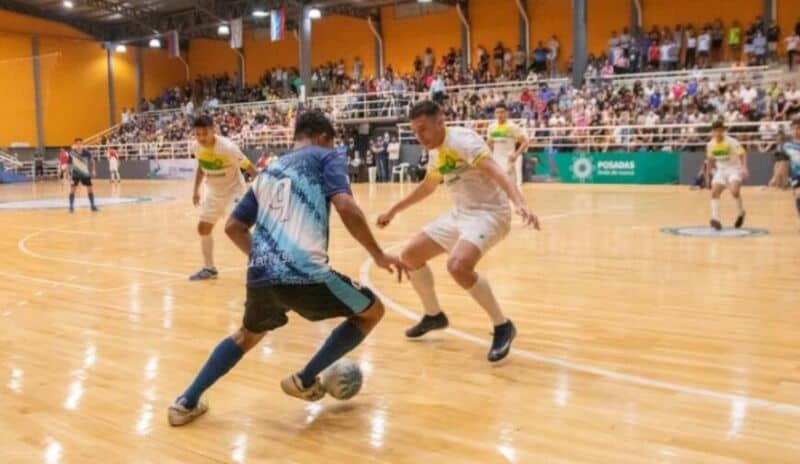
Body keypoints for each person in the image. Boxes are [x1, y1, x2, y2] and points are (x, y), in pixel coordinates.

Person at [168, 111, 407, 426]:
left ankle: (186, 402)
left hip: (261, 273)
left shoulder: (269, 170)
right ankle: (306, 378)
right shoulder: (325, 156)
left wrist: (266, 257)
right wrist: (378, 254)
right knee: (372, 311)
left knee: (246, 336)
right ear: (323, 137)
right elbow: (346, 206)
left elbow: (233, 227)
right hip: (304, 270)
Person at [377, 101, 539, 363]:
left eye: (423, 129)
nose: (419, 137)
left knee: (458, 265)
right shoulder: (435, 151)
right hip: (460, 214)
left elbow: (497, 171)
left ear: (440, 122)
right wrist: (393, 210)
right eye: (415, 132)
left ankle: (502, 325)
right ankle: (434, 316)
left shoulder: (462, 140)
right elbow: (428, 187)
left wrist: (520, 203)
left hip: (490, 213)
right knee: (410, 255)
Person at [189, 115, 257, 281]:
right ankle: (209, 269)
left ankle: (263, 263)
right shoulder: (196, 147)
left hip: (234, 191)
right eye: (197, 134)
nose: (201, 138)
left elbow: (249, 167)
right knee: (203, 228)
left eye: (204, 133)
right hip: (213, 192)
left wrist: (261, 188)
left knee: (237, 229)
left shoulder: (228, 148)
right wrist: (196, 190)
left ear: (213, 130)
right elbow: (201, 167)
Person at [705, 120, 748, 231]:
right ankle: (715, 219)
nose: (718, 133)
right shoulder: (710, 144)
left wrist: (744, 167)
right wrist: (708, 174)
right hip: (721, 170)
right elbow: (710, 159)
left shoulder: (732, 142)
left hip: (734, 169)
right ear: (713, 132)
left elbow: (742, 154)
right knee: (714, 192)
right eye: (716, 131)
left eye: (721, 131)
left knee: (734, 191)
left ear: (724, 131)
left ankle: (741, 213)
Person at [487, 102, 529, 186]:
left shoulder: (512, 127)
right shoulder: (491, 127)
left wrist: (516, 154)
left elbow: (525, 142)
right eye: (497, 112)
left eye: (502, 112)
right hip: (496, 160)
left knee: (506, 185)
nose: (499, 115)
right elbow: (489, 143)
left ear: (507, 113)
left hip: (508, 160)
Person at [67, 138, 98, 213]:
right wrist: (69, 174)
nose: (79, 145)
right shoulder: (72, 153)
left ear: (82, 144)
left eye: (80, 143)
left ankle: (93, 206)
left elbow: (92, 161)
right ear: (75, 145)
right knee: (72, 190)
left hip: (85, 173)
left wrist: (93, 170)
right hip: (75, 174)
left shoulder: (86, 152)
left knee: (90, 189)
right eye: (77, 144)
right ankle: (71, 207)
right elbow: (69, 164)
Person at [785, 119, 800, 230]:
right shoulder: (787, 146)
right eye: (794, 129)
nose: (796, 131)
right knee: (799, 195)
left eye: (798, 129)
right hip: (796, 175)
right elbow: (782, 162)